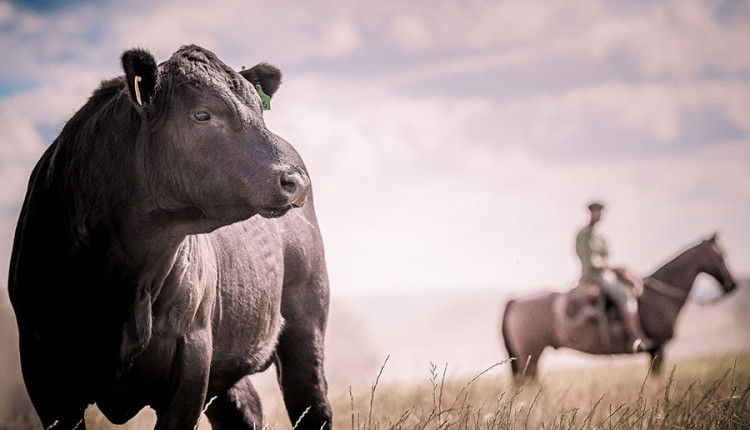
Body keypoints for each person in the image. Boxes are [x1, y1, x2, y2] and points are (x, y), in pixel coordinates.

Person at [575, 201, 654, 352]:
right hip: (593, 274)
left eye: (600, 212)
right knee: (624, 294)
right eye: (596, 211)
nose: (598, 215)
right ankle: (636, 337)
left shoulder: (599, 236)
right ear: (590, 213)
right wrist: (611, 267)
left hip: (605, 273)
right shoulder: (584, 234)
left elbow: (607, 256)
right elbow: (589, 260)